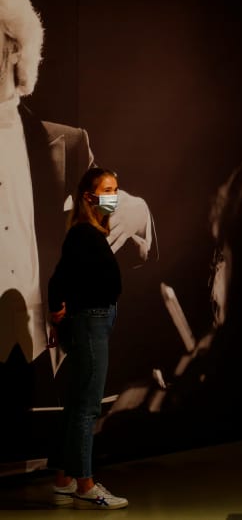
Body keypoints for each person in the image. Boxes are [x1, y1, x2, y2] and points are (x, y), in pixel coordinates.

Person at [0, 0, 154, 469]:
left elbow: (107, 213)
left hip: (48, 337)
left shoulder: (65, 144)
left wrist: (134, 209)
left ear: (14, 47)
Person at [47, 167, 129, 510]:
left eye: (116, 189)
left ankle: (63, 478)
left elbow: (64, 279)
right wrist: (57, 310)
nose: (113, 196)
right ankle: (85, 484)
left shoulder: (91, 233)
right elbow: (58, 280)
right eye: (107, 190)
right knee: (87, 405)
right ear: (88, 196)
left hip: (93, 320)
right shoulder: (83, 234)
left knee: (77, 402)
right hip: (90, 322)